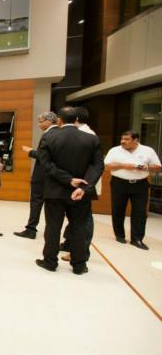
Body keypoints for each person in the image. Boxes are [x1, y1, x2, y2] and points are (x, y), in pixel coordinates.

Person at [36, 106, 104, 275]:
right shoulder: (91, 139)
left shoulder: (49, 137)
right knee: (79, 227)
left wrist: (68, 179)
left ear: (59, 120)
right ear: (76, 119)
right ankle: (79, 265)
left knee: (53, 227)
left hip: (55, 190)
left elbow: (46, 164)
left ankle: (50, 261)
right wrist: (84, 186)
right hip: (80, 193)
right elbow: (98, 166)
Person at [103, 130, 161, 250]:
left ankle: (137, 239)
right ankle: (119, 235)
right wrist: (125, 166)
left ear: (135, 140)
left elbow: (158, 167)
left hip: (140, 184)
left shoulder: (147, 150)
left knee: (140, 212)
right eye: (122, 139)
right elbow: (106, 166)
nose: (122, 141)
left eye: (126, 139)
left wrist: (147, 167)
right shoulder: (115, 150)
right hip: (119, 183)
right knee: (118, 209)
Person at [59, 106, 102, 260]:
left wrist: (84, 186)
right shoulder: (80, 133)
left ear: (75, 118)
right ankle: (71, 244)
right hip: (76, 183)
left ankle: (82, 251)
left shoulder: (88, 135)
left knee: (84, 219)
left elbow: (94, 165)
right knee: (76, 217)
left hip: (83, 184)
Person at [14, 111, 59, 239]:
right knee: (52, 206)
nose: (39, 124)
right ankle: (51, 233)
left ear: (49, 121)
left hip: (42, 175)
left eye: (41, 121)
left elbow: (43, 156)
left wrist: (30, 151)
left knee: (36, 202)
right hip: (54, 175)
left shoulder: (47, 135)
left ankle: (31, 229)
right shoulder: (60, 134)